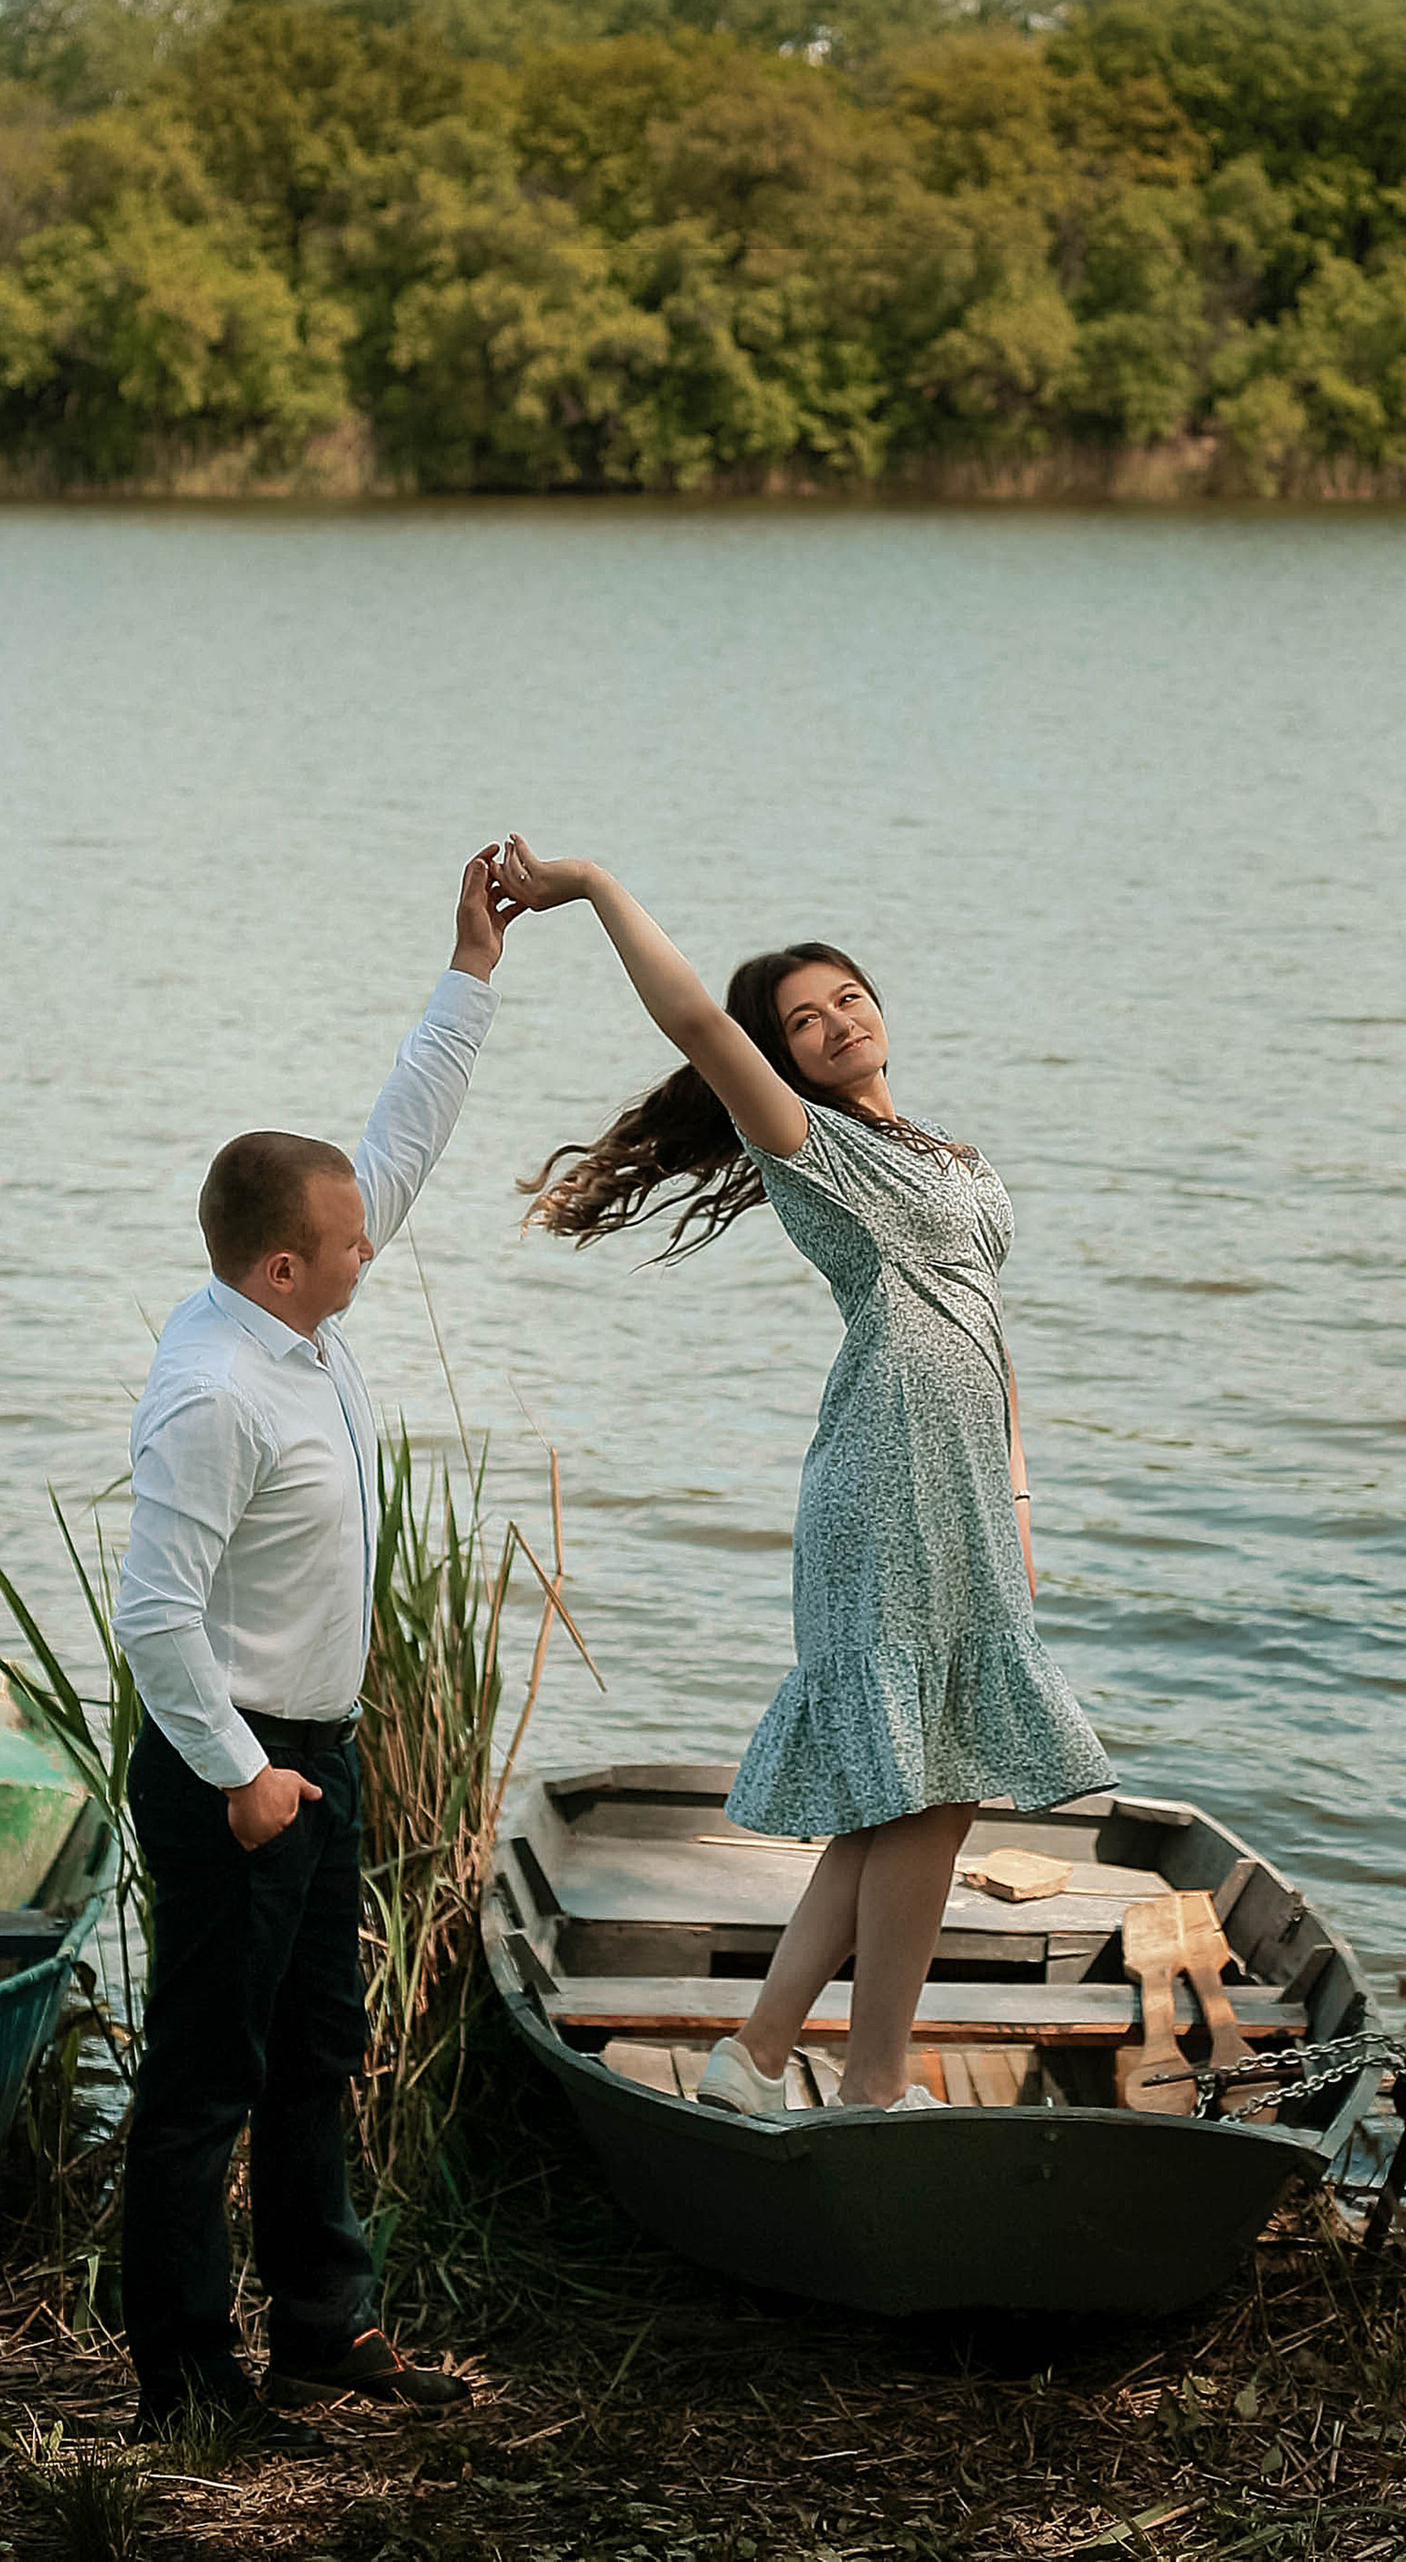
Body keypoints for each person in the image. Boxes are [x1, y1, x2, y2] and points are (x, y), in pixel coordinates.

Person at [496, 832, 1109, 2116]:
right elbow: (688, 1018)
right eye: (801, 1019)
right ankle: (875, 2083)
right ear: (776, 1057)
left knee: (914, 1802)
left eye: (847, 998)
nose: (833, 1023)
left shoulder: (944, 1154)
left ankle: (760, 2057)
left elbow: (984, 1326)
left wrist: (1017, 1498)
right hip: (884, 1488)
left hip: (963, 1497)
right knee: (923, 1793)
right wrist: (599, 889)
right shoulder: (809, 1145)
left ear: (878, 1009)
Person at [112, 848, 514, 2441]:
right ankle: (187, 2388)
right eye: (348, 1246)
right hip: (239, 1767)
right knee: (203, 2085)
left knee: (312, 2053)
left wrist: (469, 969)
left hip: (314, 1756)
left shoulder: (296, 1315)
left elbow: (396, 1146)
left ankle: (323, 2326)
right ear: (284, 1266)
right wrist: (241, 1775)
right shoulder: (216, 1391)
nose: (374, 1251)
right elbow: (153, 1614)